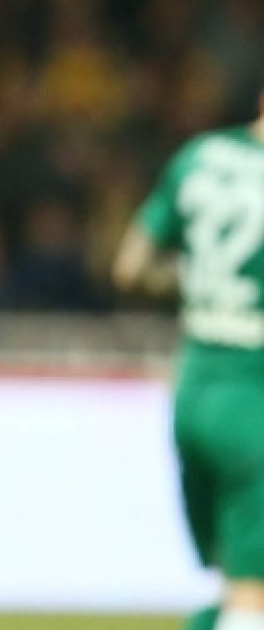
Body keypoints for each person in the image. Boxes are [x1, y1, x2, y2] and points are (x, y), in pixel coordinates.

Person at [112, 97, 264, 630]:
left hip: (195, 387)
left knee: (233, 580)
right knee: (253, 592)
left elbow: (130, 267)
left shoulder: (200, 157)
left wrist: (199, 287)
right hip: (254, 395)